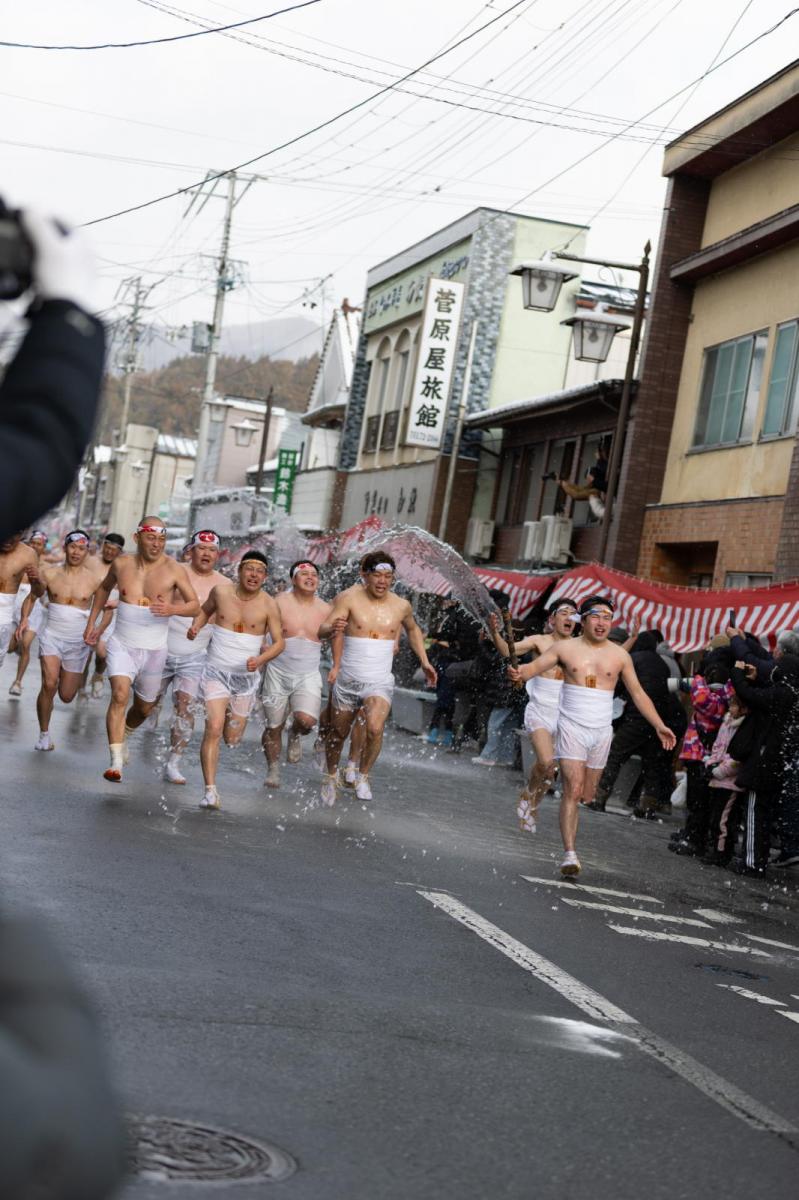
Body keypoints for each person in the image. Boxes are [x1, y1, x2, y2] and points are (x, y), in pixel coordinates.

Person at [0, 206, 125, 1198]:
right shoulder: (37, 562)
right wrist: (69, 314)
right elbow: (32, 452)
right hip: (33, 627)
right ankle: (41, 719)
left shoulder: (90, 571)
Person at [509, 595, 675, 877]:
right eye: (596, 616)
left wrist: (659, 724)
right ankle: (569, 854)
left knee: (587, 793)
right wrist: (518, 673)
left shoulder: (620, 655)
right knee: (572, 790)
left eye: (607, 617)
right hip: (571, 725)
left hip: (601, 732)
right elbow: (530, 670)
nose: (602, 623)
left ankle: (565, 821)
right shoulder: (564, 648)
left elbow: (638, 693)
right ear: (582, 620)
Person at [83, 516, 199, 782]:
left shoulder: (174, 569)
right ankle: (115, 763)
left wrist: (173, 609)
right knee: (120, 695)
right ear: (137, 538)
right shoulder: (121, 564)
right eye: (151, 538)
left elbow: (194, 606)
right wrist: (93, 623)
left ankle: (126, 731)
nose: (157, 544)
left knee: (144, 708)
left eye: (161, 539)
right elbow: (102, 590)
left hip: (155, 650)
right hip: (122, 644)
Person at [317, 551, 437, 805]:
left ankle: (363, 775)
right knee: (338, 734)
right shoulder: (348, 598)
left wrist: (425, 662)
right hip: (349, 678)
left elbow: (414, 631)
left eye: (388, 576)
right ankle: (330, 775)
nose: (382, 581)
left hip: (379, 680)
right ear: (365, 575)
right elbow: (322, 629)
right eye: (377, 575)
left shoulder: (401, 605)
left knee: (374, 727)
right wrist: (332, 628)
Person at [190, 550, 284, 809]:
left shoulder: (269, 604)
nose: (253, 575)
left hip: (246, 678)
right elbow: (204, 610)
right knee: (214, 728)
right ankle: (210, 791)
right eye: (249, 569)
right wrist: (197, 626)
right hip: (215, 672)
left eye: (259, 571)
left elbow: (279, 643)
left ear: (264, 576)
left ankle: (230, 729)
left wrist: (261, 660)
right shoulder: (221, 593)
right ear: (240, 570)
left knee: (231, 738)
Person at [489, 599, 578, 833]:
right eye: (564, 613)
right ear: (552, 619)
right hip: (539, 708)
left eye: (573, 615)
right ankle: (529, 791)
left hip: (566, 714)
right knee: (546, 762)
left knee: (553, 770)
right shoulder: (540, 640)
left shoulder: (580, 647)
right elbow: (506, 649)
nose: (569, 618)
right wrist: (494, 631)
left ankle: (534, 805)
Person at [587, 630, 687, 819]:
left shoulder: (632, 659)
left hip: (637, 717)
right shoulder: (662, 664)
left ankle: (599, 798)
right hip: (657, 719)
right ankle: (648, 805)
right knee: (652, 763)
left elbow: (620, 685)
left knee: (615, 755)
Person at [17, 530, 102, 751]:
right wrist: (25, 618)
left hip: (77, 643)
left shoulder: (94, 580)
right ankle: (43, 735)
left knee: (66, 695)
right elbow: (32, 597)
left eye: (81, 548)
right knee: (48, 684)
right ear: (65, 548)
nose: (76, 552)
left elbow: (107, 607)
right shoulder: (50, 574)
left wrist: (98, 629)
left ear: (87, 551)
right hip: (52, 637)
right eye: (72, 547)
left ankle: (69, 675)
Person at [160, 530, 227, 785]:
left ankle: (173, 761)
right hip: (163, 645)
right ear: (191, 550)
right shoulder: (176, 572)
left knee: (185, 705)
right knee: (147, 701)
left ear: (217, 554)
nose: (206, 554)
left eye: (211, 550)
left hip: (196, 653)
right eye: (201, 548)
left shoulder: (224, 585)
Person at [261, 560, 331, 789]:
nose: (310, 577)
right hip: (277, 671)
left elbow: (337, 637)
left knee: (307, 720)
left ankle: (295, 733)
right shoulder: (278, 602)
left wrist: (338, 665)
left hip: (307, 674)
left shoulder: (325, 609)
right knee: (273, 725)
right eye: (304, 574)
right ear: (293, 579)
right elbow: (260, 626)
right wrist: (261, 649)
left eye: (314, 574)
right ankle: (273, 768)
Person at [728, 654, 799, 877]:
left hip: (764, 761)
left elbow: (749, 696)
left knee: (755, 812)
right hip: (778, 762)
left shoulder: (782, 693)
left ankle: (752, 862)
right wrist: (756, 677)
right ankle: (758, 858)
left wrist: (737, 673)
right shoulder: (791, 694)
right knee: (764, 815)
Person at [8, 529, 48, 696]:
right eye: (33, 542)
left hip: (33, 611)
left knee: (26, 645)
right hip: (12, 609)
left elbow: (44, 591)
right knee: (8, 648)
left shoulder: (46, 567)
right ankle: (15, 647)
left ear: (43, 547)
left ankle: (18, 682)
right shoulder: (19, 560)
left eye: (39, 544)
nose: (35, 546)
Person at [87, 533, 125, 698]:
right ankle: (80, 688)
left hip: (112, 613)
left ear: (120, 552)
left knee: (102, 653)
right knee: (85, 653)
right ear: (103, 546)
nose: (109, 552)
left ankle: (98, 673)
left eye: (114, 550)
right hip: (90, 610)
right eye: (107, 548)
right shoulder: (91, 562)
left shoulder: (123, 567)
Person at [0, 531, 40, 675]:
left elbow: (36, 593)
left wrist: (24, 618)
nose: (9, 539)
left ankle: (18, 680)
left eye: (15, 534)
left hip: (5, 614)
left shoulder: (29, 554)